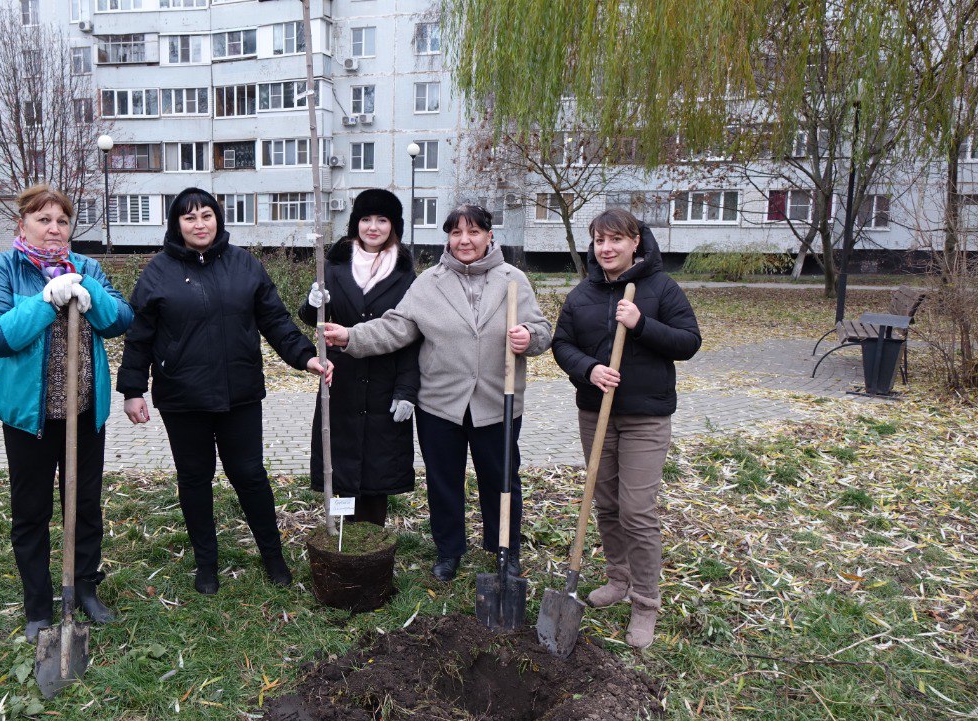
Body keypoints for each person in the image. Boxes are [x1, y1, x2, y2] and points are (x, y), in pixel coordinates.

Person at [118, 188, 332, 595]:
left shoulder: (243, 264)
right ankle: (207, 565)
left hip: (240, 394)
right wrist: (132, 389)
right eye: (189, 217)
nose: (199, 224)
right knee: (194, 479)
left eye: (206, 215)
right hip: (182, 397)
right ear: (176, 224)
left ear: (218, 219)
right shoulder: (158, 272)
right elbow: (139, 336)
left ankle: (273, 557)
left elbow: (276, 320)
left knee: (250, 475)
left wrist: (306, 357)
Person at [323, 204, 551, 582]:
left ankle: (505, 549)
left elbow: (542, 331)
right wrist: (351, 336)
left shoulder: (513, 279)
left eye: (474, 232)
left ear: (489, 235)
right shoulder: (430, 282)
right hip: (440, 404)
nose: (465, 240)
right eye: (456, 232)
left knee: (501, 480)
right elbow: (396, 327)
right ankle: (449, 550)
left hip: (498, 401)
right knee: (444, 482)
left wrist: (530, 337)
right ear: (448, 237)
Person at [0, 184, 135, 643]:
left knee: (84, 506)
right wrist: (45, 300)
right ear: (22, 223)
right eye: (43, 219)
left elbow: (120, 320)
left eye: (62, 221)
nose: (54, 228)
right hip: (31, 418)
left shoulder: (87, 267)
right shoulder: (1, 268)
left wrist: (89, 292)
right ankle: (39, 606)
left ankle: (84, 588)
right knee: (32, 511)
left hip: (84, 412)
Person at [551, 208, 701, 649]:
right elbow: (562, 344)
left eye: (616, 239)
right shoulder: (582, 294)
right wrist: (589, 369)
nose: (607, 248)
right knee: (607, 503)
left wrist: (641, 324)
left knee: (636, 509)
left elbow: (689, 342)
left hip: (646, 417)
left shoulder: (661, 287)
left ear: (636, 242)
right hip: (596, 414)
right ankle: (618, 579)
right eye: (599, 240)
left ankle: (646, 601)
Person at [299, 189, 419, 526]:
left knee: (378, 471)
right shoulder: (334, 266)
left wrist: (407, 390)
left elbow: (413, 336)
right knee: (342, 465)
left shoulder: (405, 274)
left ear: (393, 226)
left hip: (384, 382)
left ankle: (373, 538)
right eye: (366, 219)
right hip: (343, 381)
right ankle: (344, 535)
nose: (373, 227)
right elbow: (314, 319)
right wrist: (312, 302)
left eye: (382, 220)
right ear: (356, 223)